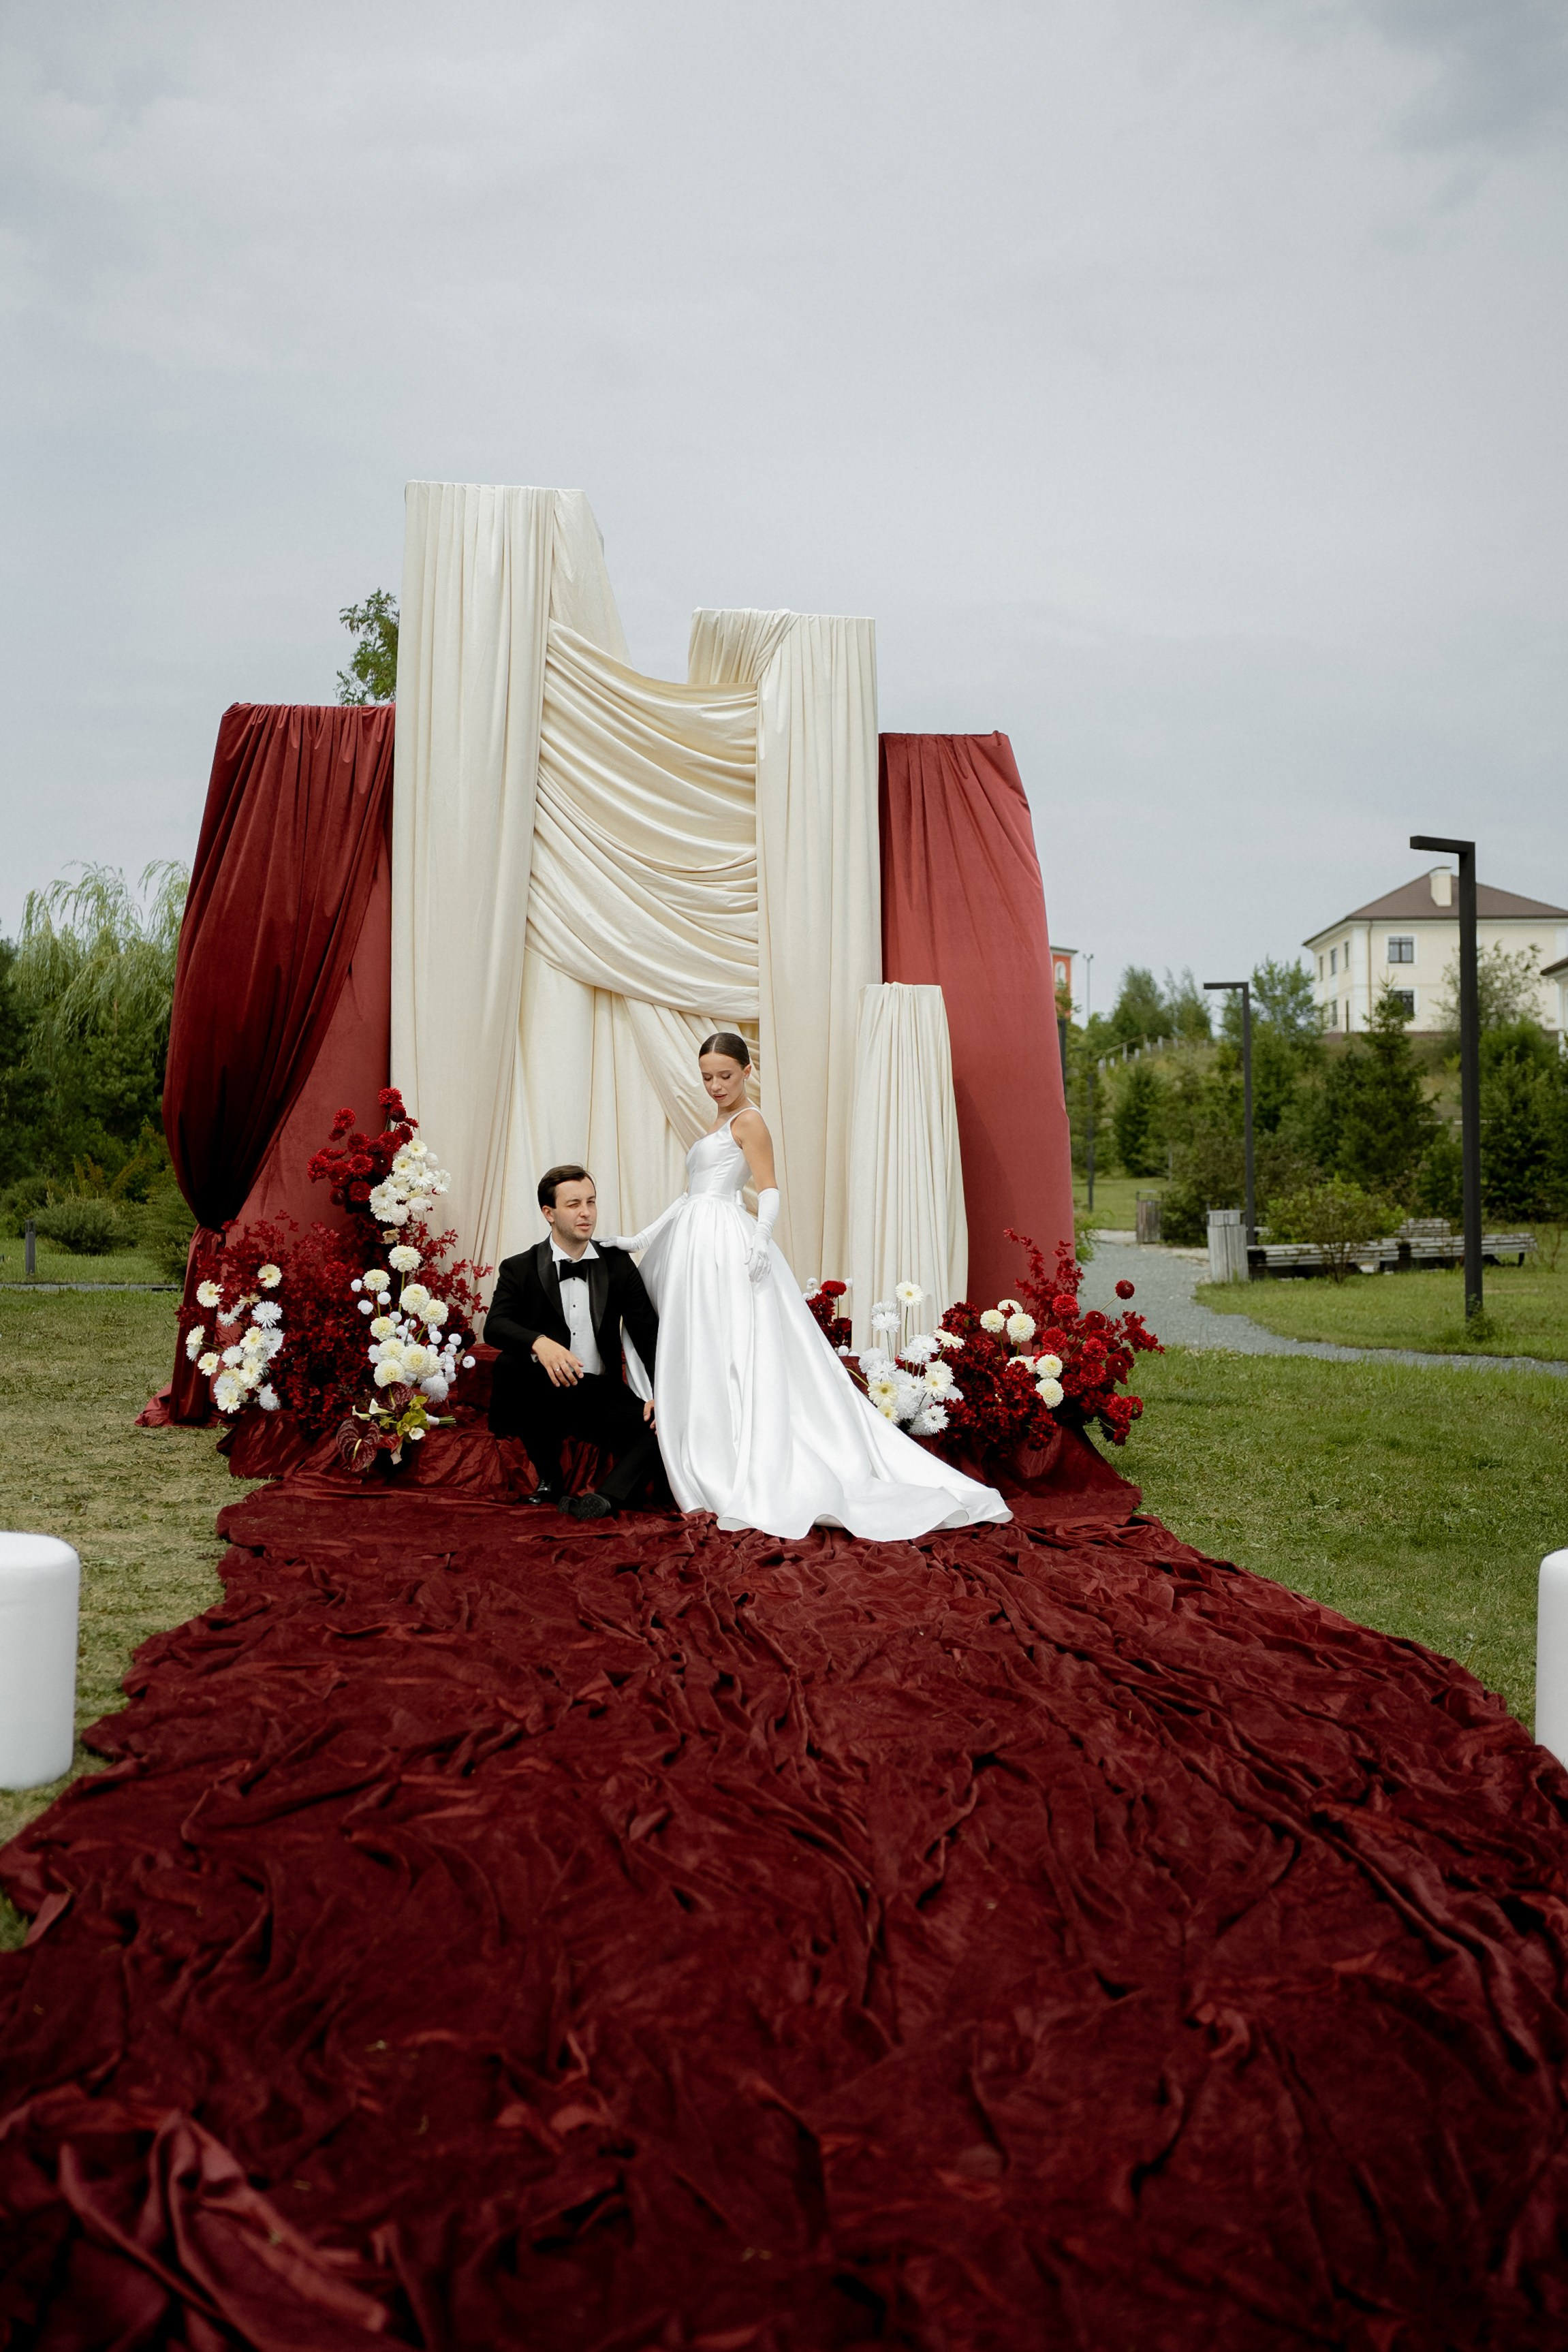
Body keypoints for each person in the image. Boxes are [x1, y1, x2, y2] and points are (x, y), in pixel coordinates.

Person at [613, 1034, 1009, 1541]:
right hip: (693, 1237)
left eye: (725, 1076)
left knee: (735, 1340)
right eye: (708, 1076)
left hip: (726, 1242)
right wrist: (642, 1237)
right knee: (700, 1337)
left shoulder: (749, 1120)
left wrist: (760, 1238)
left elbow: (769, 1186)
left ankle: (740, 1449)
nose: (715, 1086)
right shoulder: (718, 1119)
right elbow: (692, 1193)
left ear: (747, 1070)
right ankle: (704, 1430)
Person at [486, 1164, 663, 1519]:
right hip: (545, 1393)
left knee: (665, 1428)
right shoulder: (518, 1267)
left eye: (591, 1202)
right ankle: (550, 1481)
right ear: (548, 1213)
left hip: (600, 1392)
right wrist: (539, 1342)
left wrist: (663, 1393)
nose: (586, 1213)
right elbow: (496, 1326)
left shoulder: (617, 1264)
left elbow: (648, 1333)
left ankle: (605, 1499)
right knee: (511, 1363)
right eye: (573, 1204)